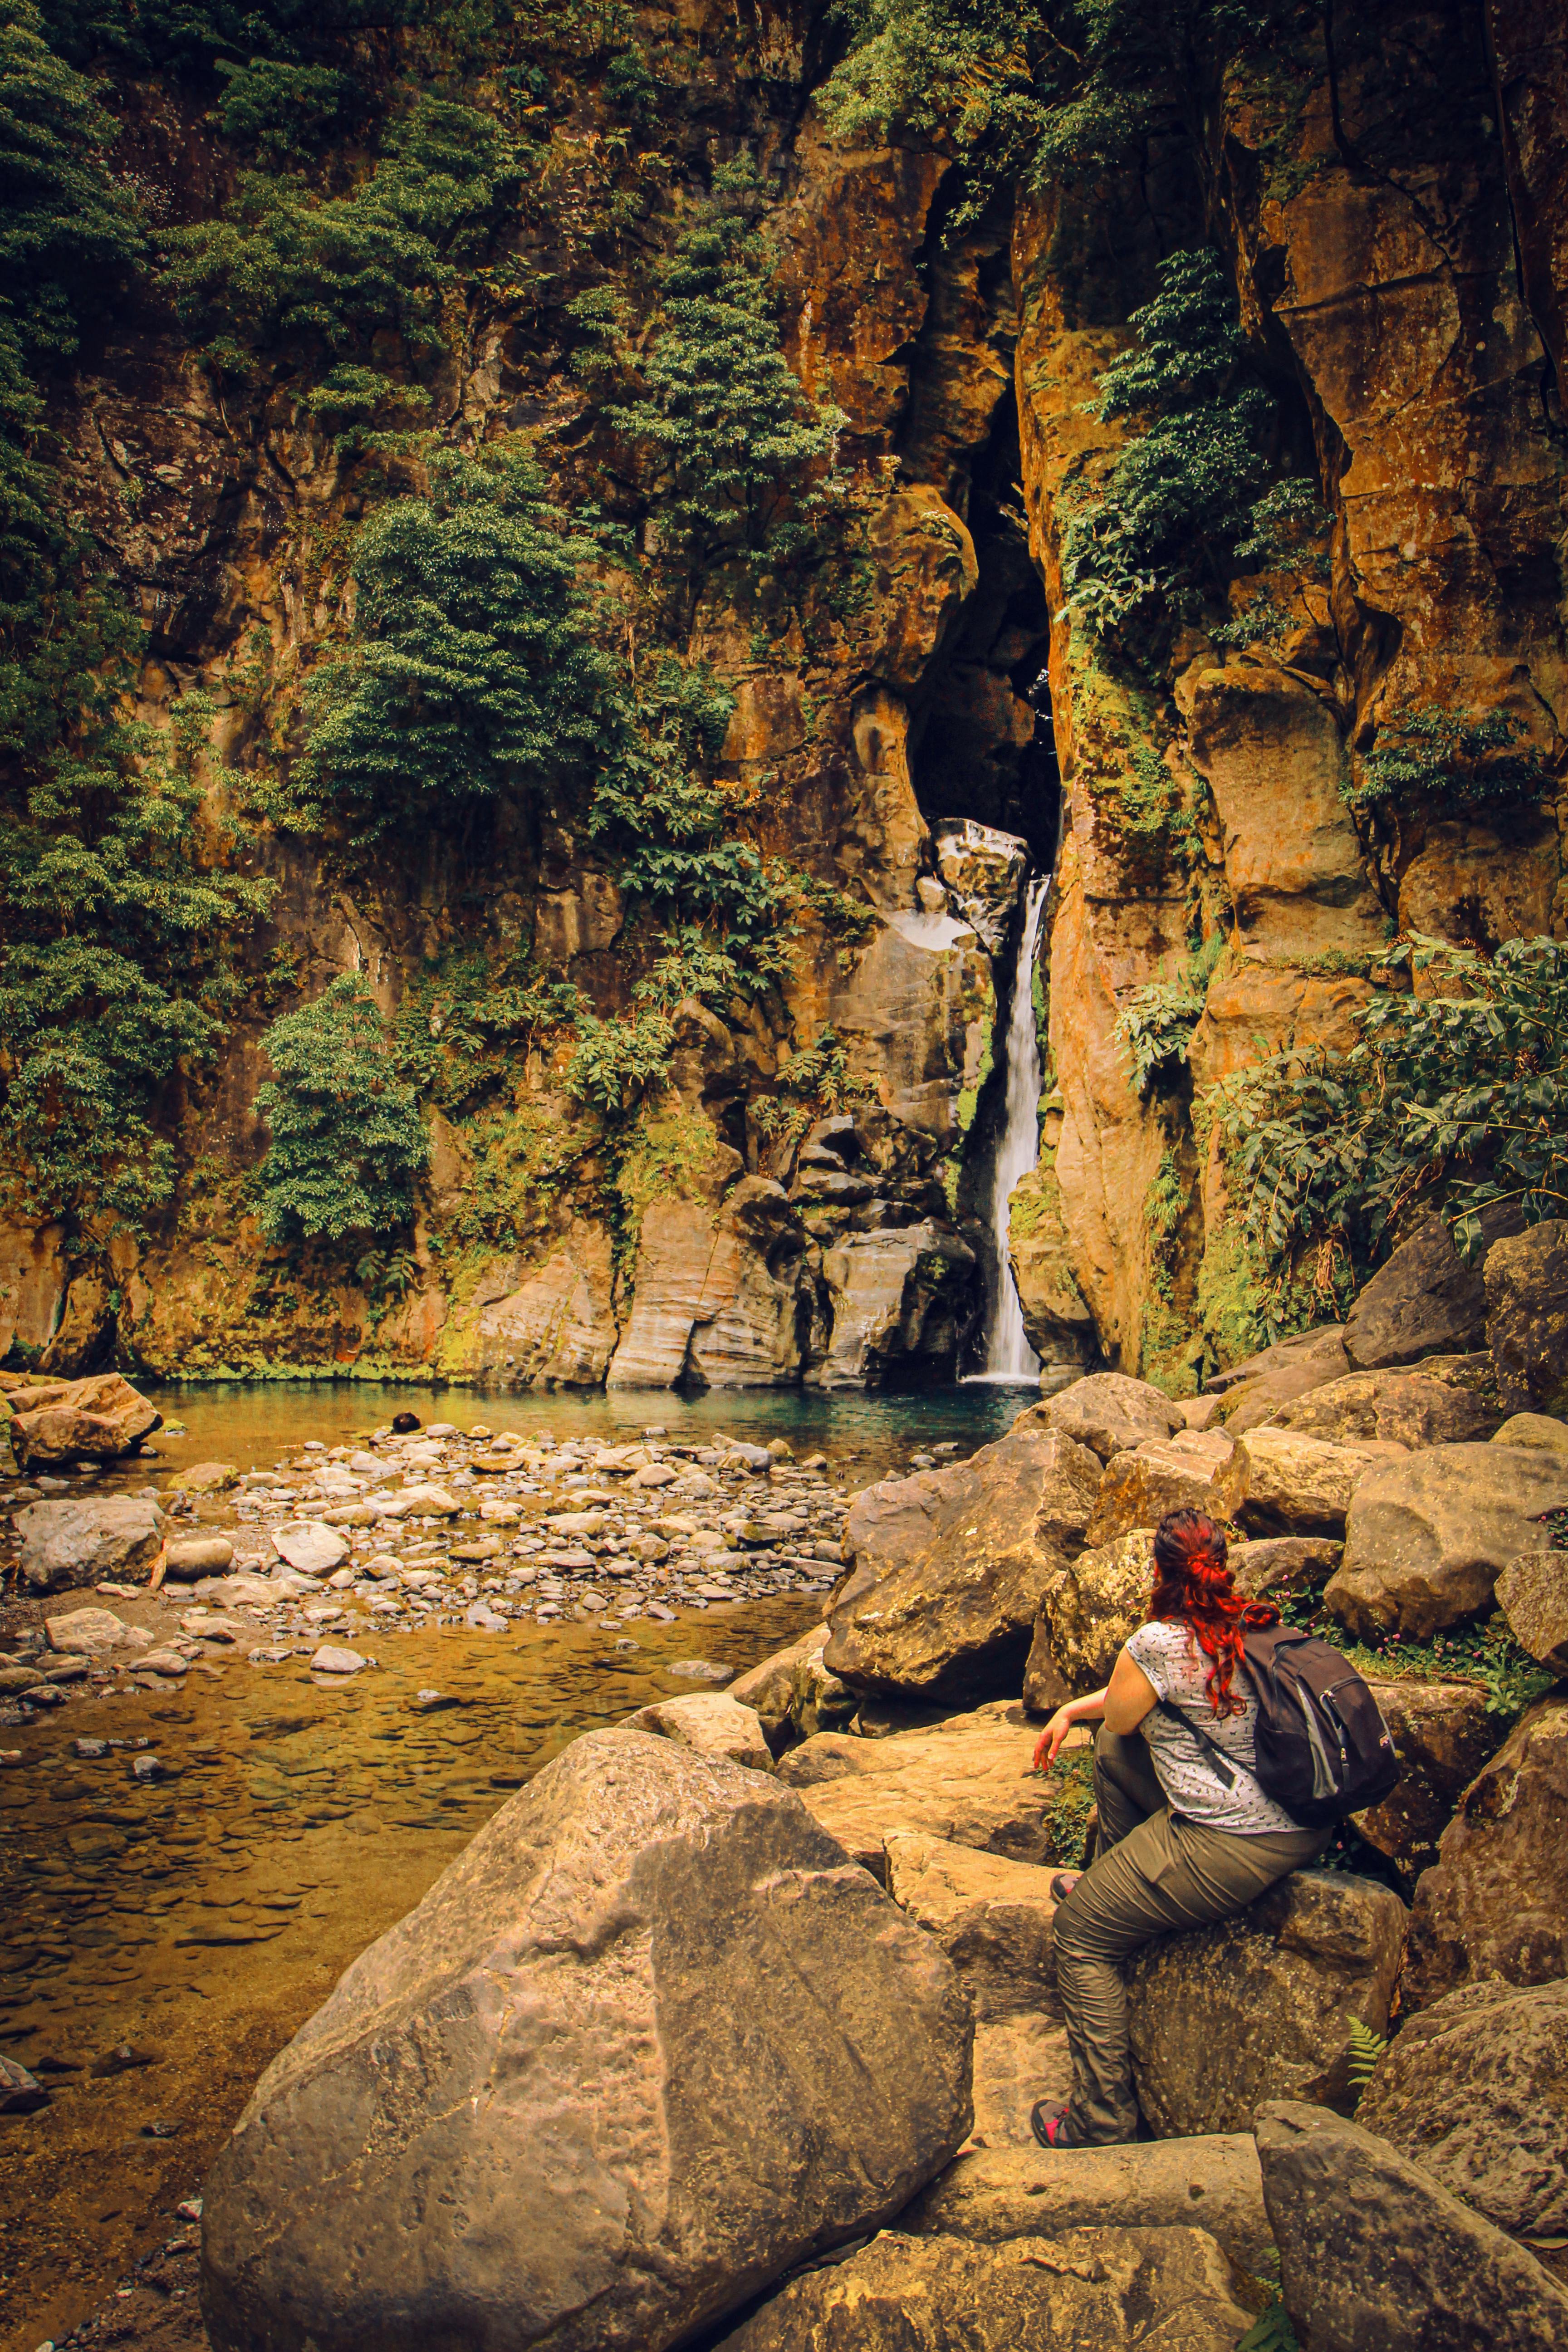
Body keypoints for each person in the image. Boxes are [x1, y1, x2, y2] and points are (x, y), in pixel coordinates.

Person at [1029, 1505, 1329, 2149]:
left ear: (1157, 1573)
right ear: (1222, 1565)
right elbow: (1119, 1727)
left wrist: (1080, 1710)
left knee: (1080, 1938)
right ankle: (1107, 1884)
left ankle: (1101, 2119)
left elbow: (1127, 1713)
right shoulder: (1251, 1624)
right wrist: (1068, 1711)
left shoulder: (1157, 1643)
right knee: (1112, 1755)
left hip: (1232, 1839)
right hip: (1300, 1818)